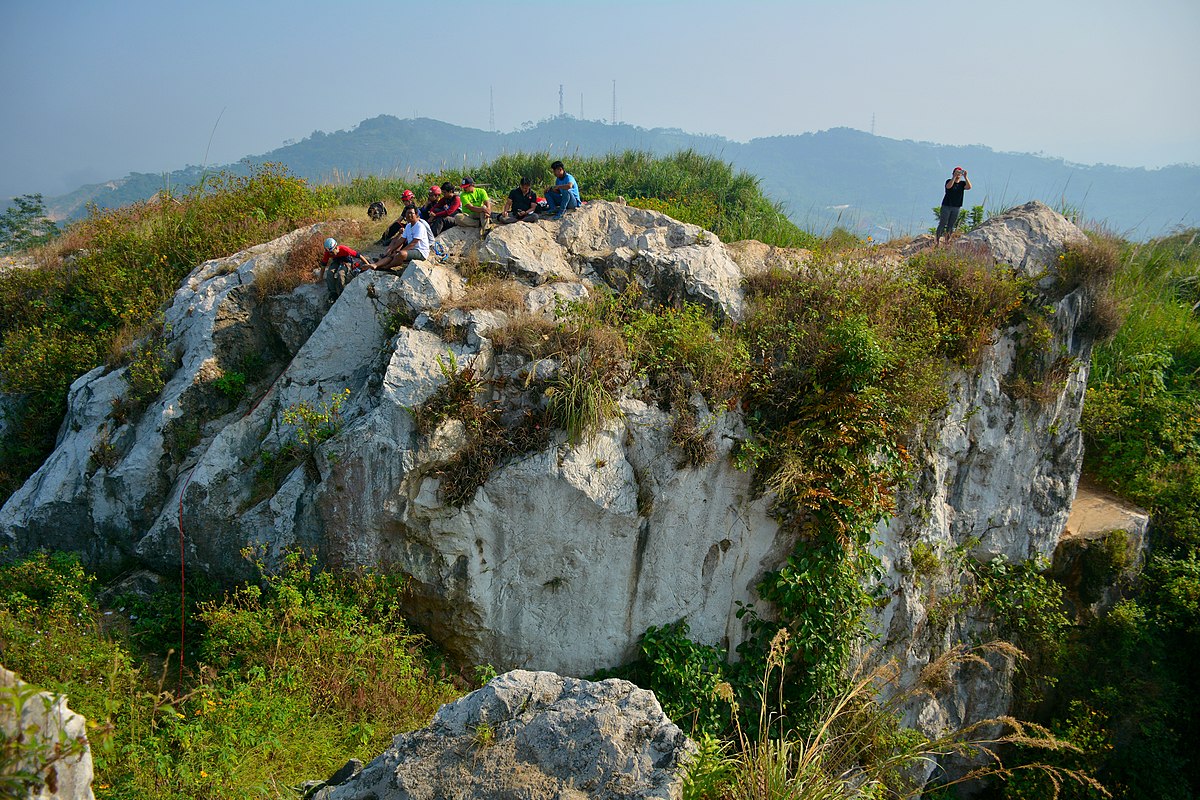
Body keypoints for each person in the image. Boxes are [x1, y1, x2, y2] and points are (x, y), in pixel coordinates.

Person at [371, 205, 433, 272]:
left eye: (411, 213)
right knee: (393, 252)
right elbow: (402, 239)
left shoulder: (420, 226)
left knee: (401, 254)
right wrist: (392, 249)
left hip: (420, 252)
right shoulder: (408, 226)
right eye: (407, 213)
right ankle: (376, 264)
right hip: (412, 249)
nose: (409, 215)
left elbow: (413, 243)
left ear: (416, 214)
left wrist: (401, 251)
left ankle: (387, 267)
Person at [936, 166, 972, 244]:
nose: (959, 174)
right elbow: (948, 187)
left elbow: (969, 187)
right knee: (943, 223)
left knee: (951, 225)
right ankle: (937, 240)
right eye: (957, 172)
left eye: (960, 172)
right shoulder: (949, 181)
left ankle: (947, 240)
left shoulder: (962, 184)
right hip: (946, 206)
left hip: (956, 207)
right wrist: (954, 177)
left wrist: (966, 177)